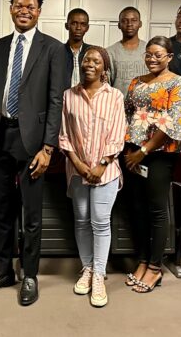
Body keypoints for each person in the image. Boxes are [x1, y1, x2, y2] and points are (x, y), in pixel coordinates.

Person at [0, 0, 67, 306]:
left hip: (33, 142)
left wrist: (48, 148)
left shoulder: (53, 49)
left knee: (32, 214)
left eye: (31, 7)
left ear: (39, 11)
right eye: (19, 6)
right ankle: (2, 270)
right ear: (11, 8)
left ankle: (29, 274)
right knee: (1, 210)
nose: (24, 11)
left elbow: (56, 102)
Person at [123, 37, 181, 294]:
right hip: (133, 154)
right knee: (138, 210)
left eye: (158, 55)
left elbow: (173, 121)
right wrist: (131, 150)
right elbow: (128, 114)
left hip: (161, 153)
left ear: (170, 57)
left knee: (156, 210)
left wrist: (144, 150)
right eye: (149, 55)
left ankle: (155, 267)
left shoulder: (177, 83)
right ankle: (142, 260)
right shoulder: (136, 82)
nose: (152, 59)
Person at [59, 46, 126, 307]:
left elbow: (118, 134)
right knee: (81, 220)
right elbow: (63, 135)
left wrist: (101, 164)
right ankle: (86, 268)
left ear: (104, 68)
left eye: (96, 61)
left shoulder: (115, 96)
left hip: (105, 172)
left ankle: (99, 274)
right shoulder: (69, 95)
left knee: (100, 221)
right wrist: (77, 163)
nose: (90, 64)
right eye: (87, 59)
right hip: (76, 170)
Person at [106, 7, 147, 96]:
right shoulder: (109, 52)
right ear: (119, 25)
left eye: (134, 20)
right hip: (117, 106)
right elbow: (106, 85)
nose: (129, 24)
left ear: (140, 24)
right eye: (125, 21)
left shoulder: (149, 51)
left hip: (146, 107)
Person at [63, 8, 91, 88]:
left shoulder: (92, 52)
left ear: (87, 28)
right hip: (63, 99)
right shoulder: (57, 52)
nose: (78, 27)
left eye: (83, 24)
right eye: (74, 23)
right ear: (66, 26)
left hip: (87, 99)